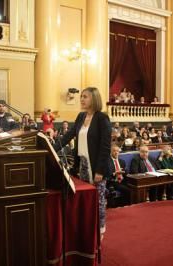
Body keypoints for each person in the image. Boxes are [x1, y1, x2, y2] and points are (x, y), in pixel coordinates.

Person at [54, 87, 111, 239]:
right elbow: (68, 135)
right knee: (86, 199)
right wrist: (52, 149)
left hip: (97, 166)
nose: (82, 99)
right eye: (81, 97)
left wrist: (99, 170)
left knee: (98, 201)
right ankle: (87, 228)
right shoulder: (81, 116)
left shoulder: (102, 118)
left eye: (85, 97)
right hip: (83, 166)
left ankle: (100, 232)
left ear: (94, 99)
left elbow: (105, 147)